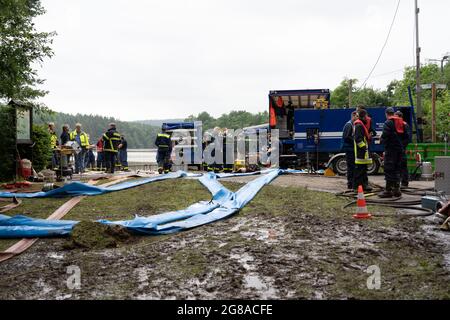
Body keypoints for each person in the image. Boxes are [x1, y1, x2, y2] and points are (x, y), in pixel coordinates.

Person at [379, 108, 405, 198]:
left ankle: (388, 191)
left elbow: (385, 136)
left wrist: (381, 140)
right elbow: (406, 137)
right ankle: (397, 190)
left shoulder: (388, 122)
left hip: (391, 150)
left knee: (389, 169)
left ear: (386, 114)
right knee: (397, 170)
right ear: (393, 113)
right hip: (400, 150)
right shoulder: (402, 122)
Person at [353, 109, 373, 192]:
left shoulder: (361, 124)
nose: (367, 118)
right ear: (364, 116)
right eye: (366, 116)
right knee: (360, 170)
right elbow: (358, 139)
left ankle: (364, 185)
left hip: (363, 152)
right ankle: (357, 187)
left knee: (363, 170)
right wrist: (364, 148)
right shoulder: (359, 125)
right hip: (361, 152)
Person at [341, 111, 358, 190]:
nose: (357, 118)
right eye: (356, 116)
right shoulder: (349, 125)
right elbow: (346, 137)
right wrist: (355, 141)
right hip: (349, 149)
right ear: (353, 116)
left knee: (353, 167)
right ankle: (350, 184)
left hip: (351, 149)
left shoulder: (353, 124)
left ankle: (352, 183)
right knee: (351, 167)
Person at [395, 111, 411, 187]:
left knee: (403, 165)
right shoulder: (396, 125)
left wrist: (402, 146)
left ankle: (404, 182)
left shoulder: (404, 125)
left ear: (400, 117)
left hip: (401, 148)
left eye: (396, 116)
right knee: (398, 165)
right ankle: (399, 182)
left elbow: (407, 138)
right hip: (397, 148)